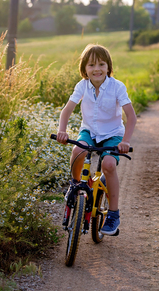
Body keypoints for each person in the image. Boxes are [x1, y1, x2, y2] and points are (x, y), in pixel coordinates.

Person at [56, 44, 137, 235]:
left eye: (101, 64)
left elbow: (131, 117)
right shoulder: (81, 86)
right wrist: (62, 130)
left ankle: (114, 214)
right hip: (89, 132)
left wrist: (125, 141)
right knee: (78, 151)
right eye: (91, 65)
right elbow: (67, 110)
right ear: (85, 69)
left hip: (113, 134)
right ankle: (75, 185)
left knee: (108, 164)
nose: (97, 69)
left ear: (108, 67)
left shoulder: (117, 87)